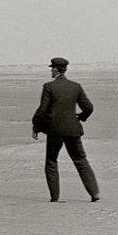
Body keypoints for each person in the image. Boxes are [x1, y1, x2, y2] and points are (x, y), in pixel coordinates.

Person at [31, 57, 100, 202]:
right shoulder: (76, 86)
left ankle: (55, 198)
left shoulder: (49, 87)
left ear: (56, 69)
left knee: (51, 162)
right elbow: (89, 107)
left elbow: (42, 110)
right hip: (73, 129)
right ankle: (95, 194)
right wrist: (81, 117)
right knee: (81, 160)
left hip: (55, 131)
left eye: (52, 68)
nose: (51, 70)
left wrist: (36, 126)